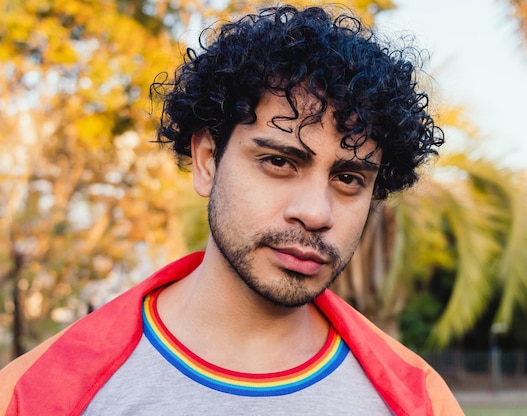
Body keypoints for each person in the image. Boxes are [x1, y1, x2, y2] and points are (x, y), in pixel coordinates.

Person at [0, 5, 463, 415]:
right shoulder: (37, 393)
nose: (316, 213)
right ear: (207, 161)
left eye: (348, 179)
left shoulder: (418, 400)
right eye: (279, 162)